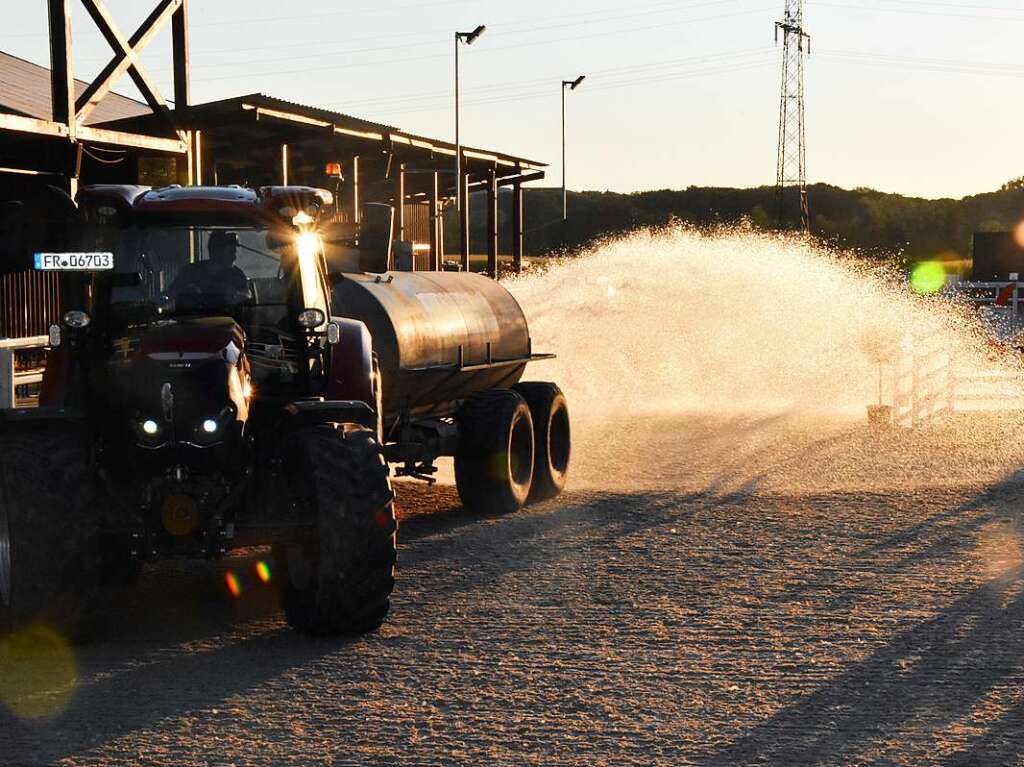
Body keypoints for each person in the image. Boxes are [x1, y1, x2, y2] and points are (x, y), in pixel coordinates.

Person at [171, 231, 250, 304]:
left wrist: (237, 295)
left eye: (234, 252)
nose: (234, 257)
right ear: (216, 251)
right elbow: (169, 294)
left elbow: (247, 297)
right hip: (191, 317)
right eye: (231, 252)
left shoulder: (237, 275)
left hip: (228, 318)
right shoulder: (190, 272)